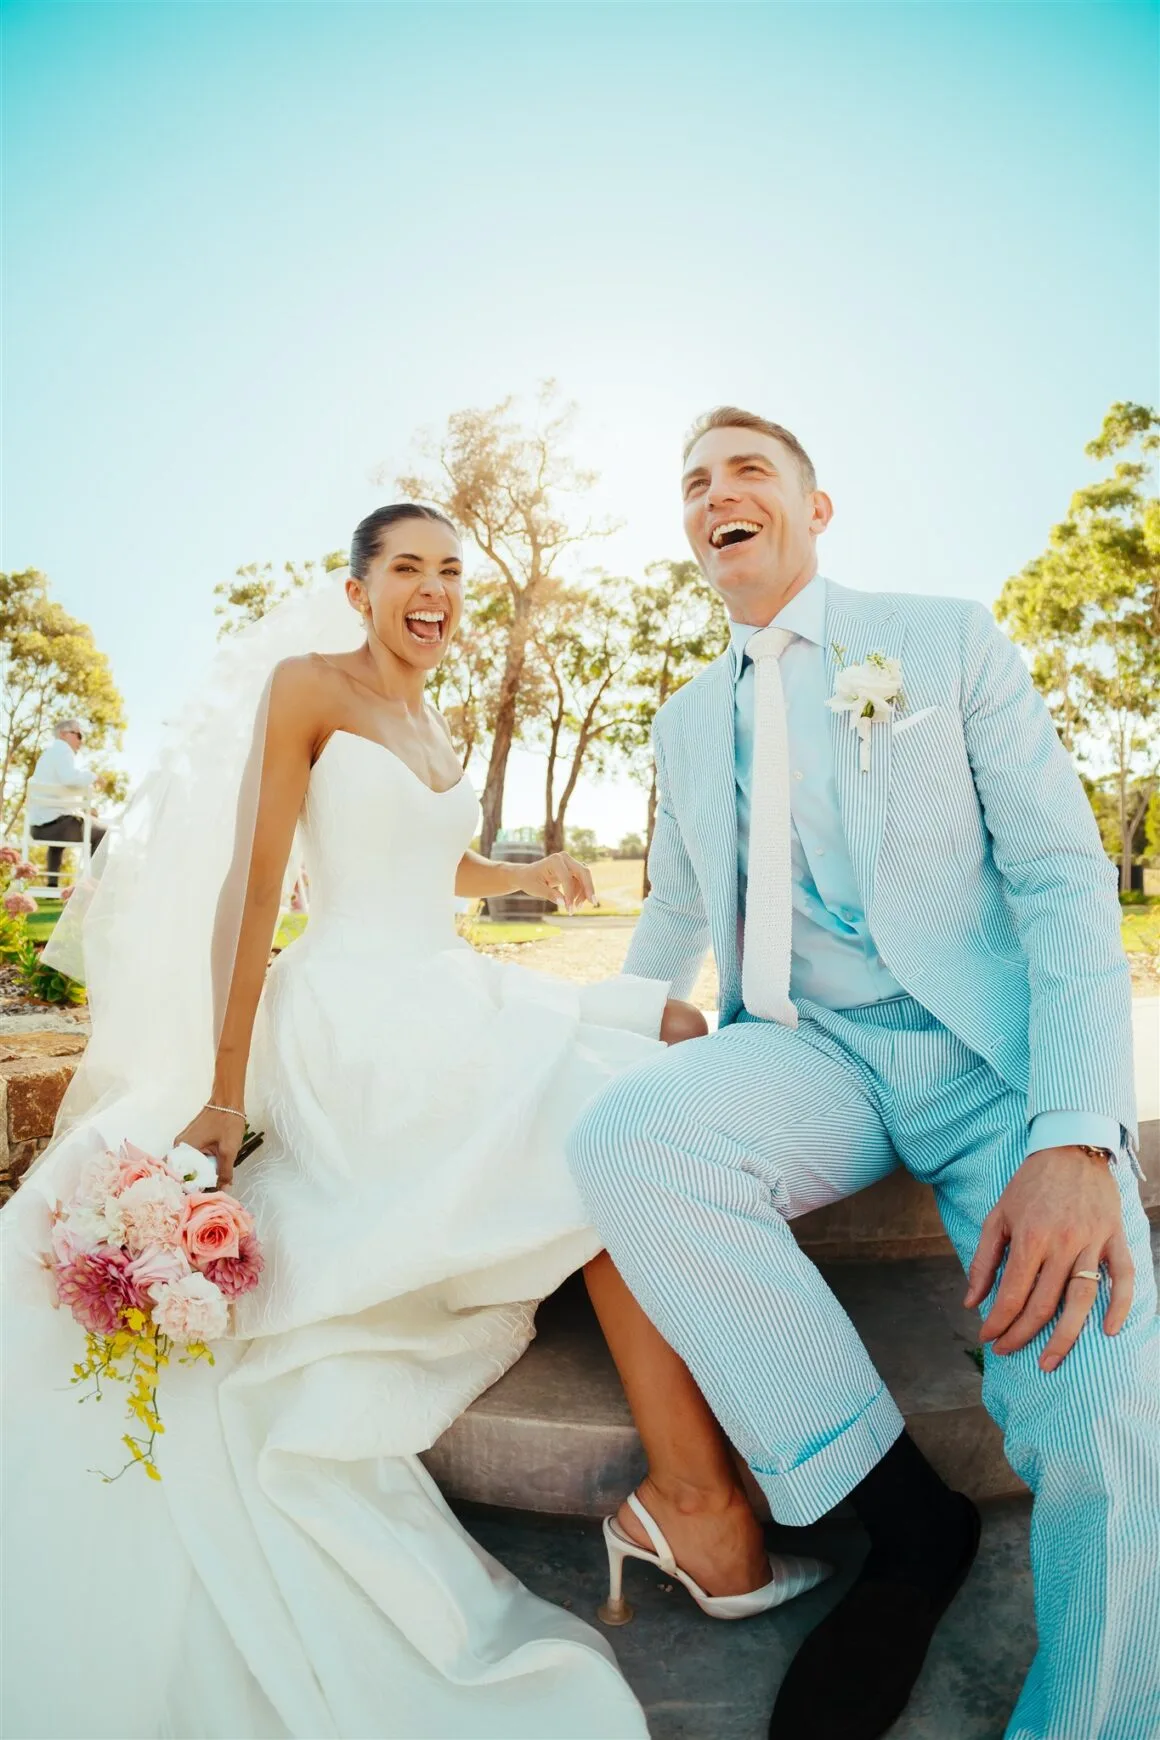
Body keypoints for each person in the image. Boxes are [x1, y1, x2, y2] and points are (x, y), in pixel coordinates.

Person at [0, 501, 827, 1740]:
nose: (433, 590)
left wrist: (522, 874)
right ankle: (692, 1500)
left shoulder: (431, 714)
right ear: (359, 589)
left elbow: (425, 864)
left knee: (672, 1028)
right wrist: (225, 1090)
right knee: (618, 1122)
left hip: (446, 985)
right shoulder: (309, 686)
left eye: (450, 571)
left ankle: (713, 1454)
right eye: (407, 569)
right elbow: (254, 889)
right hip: (356, 1018)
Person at [568, 407, 1160, 1740]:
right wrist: (600, 1039)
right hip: (804, 1055)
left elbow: (1062, 878)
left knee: (1107, 1400)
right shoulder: (680, 722)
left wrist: (1079, 1134)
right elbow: (673, 910)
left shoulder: (944, 642)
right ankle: (898, 1518)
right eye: (694, 482)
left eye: (748, 470)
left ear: (813, 508)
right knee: (622, 1138)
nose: (717, 493)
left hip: (987, 1064)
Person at [27, 716, 107, 885]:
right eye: (78, 735)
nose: (81, 740)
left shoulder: (47, 755)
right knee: (103, 832)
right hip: (57, 827)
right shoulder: (63, 750)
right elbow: (69, 778)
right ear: (63, 734)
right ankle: (94, 886)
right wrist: (94, 776)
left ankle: (52, 884)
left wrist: (82, 811)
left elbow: (60, 796)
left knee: (62, 831)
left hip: (37, 829)